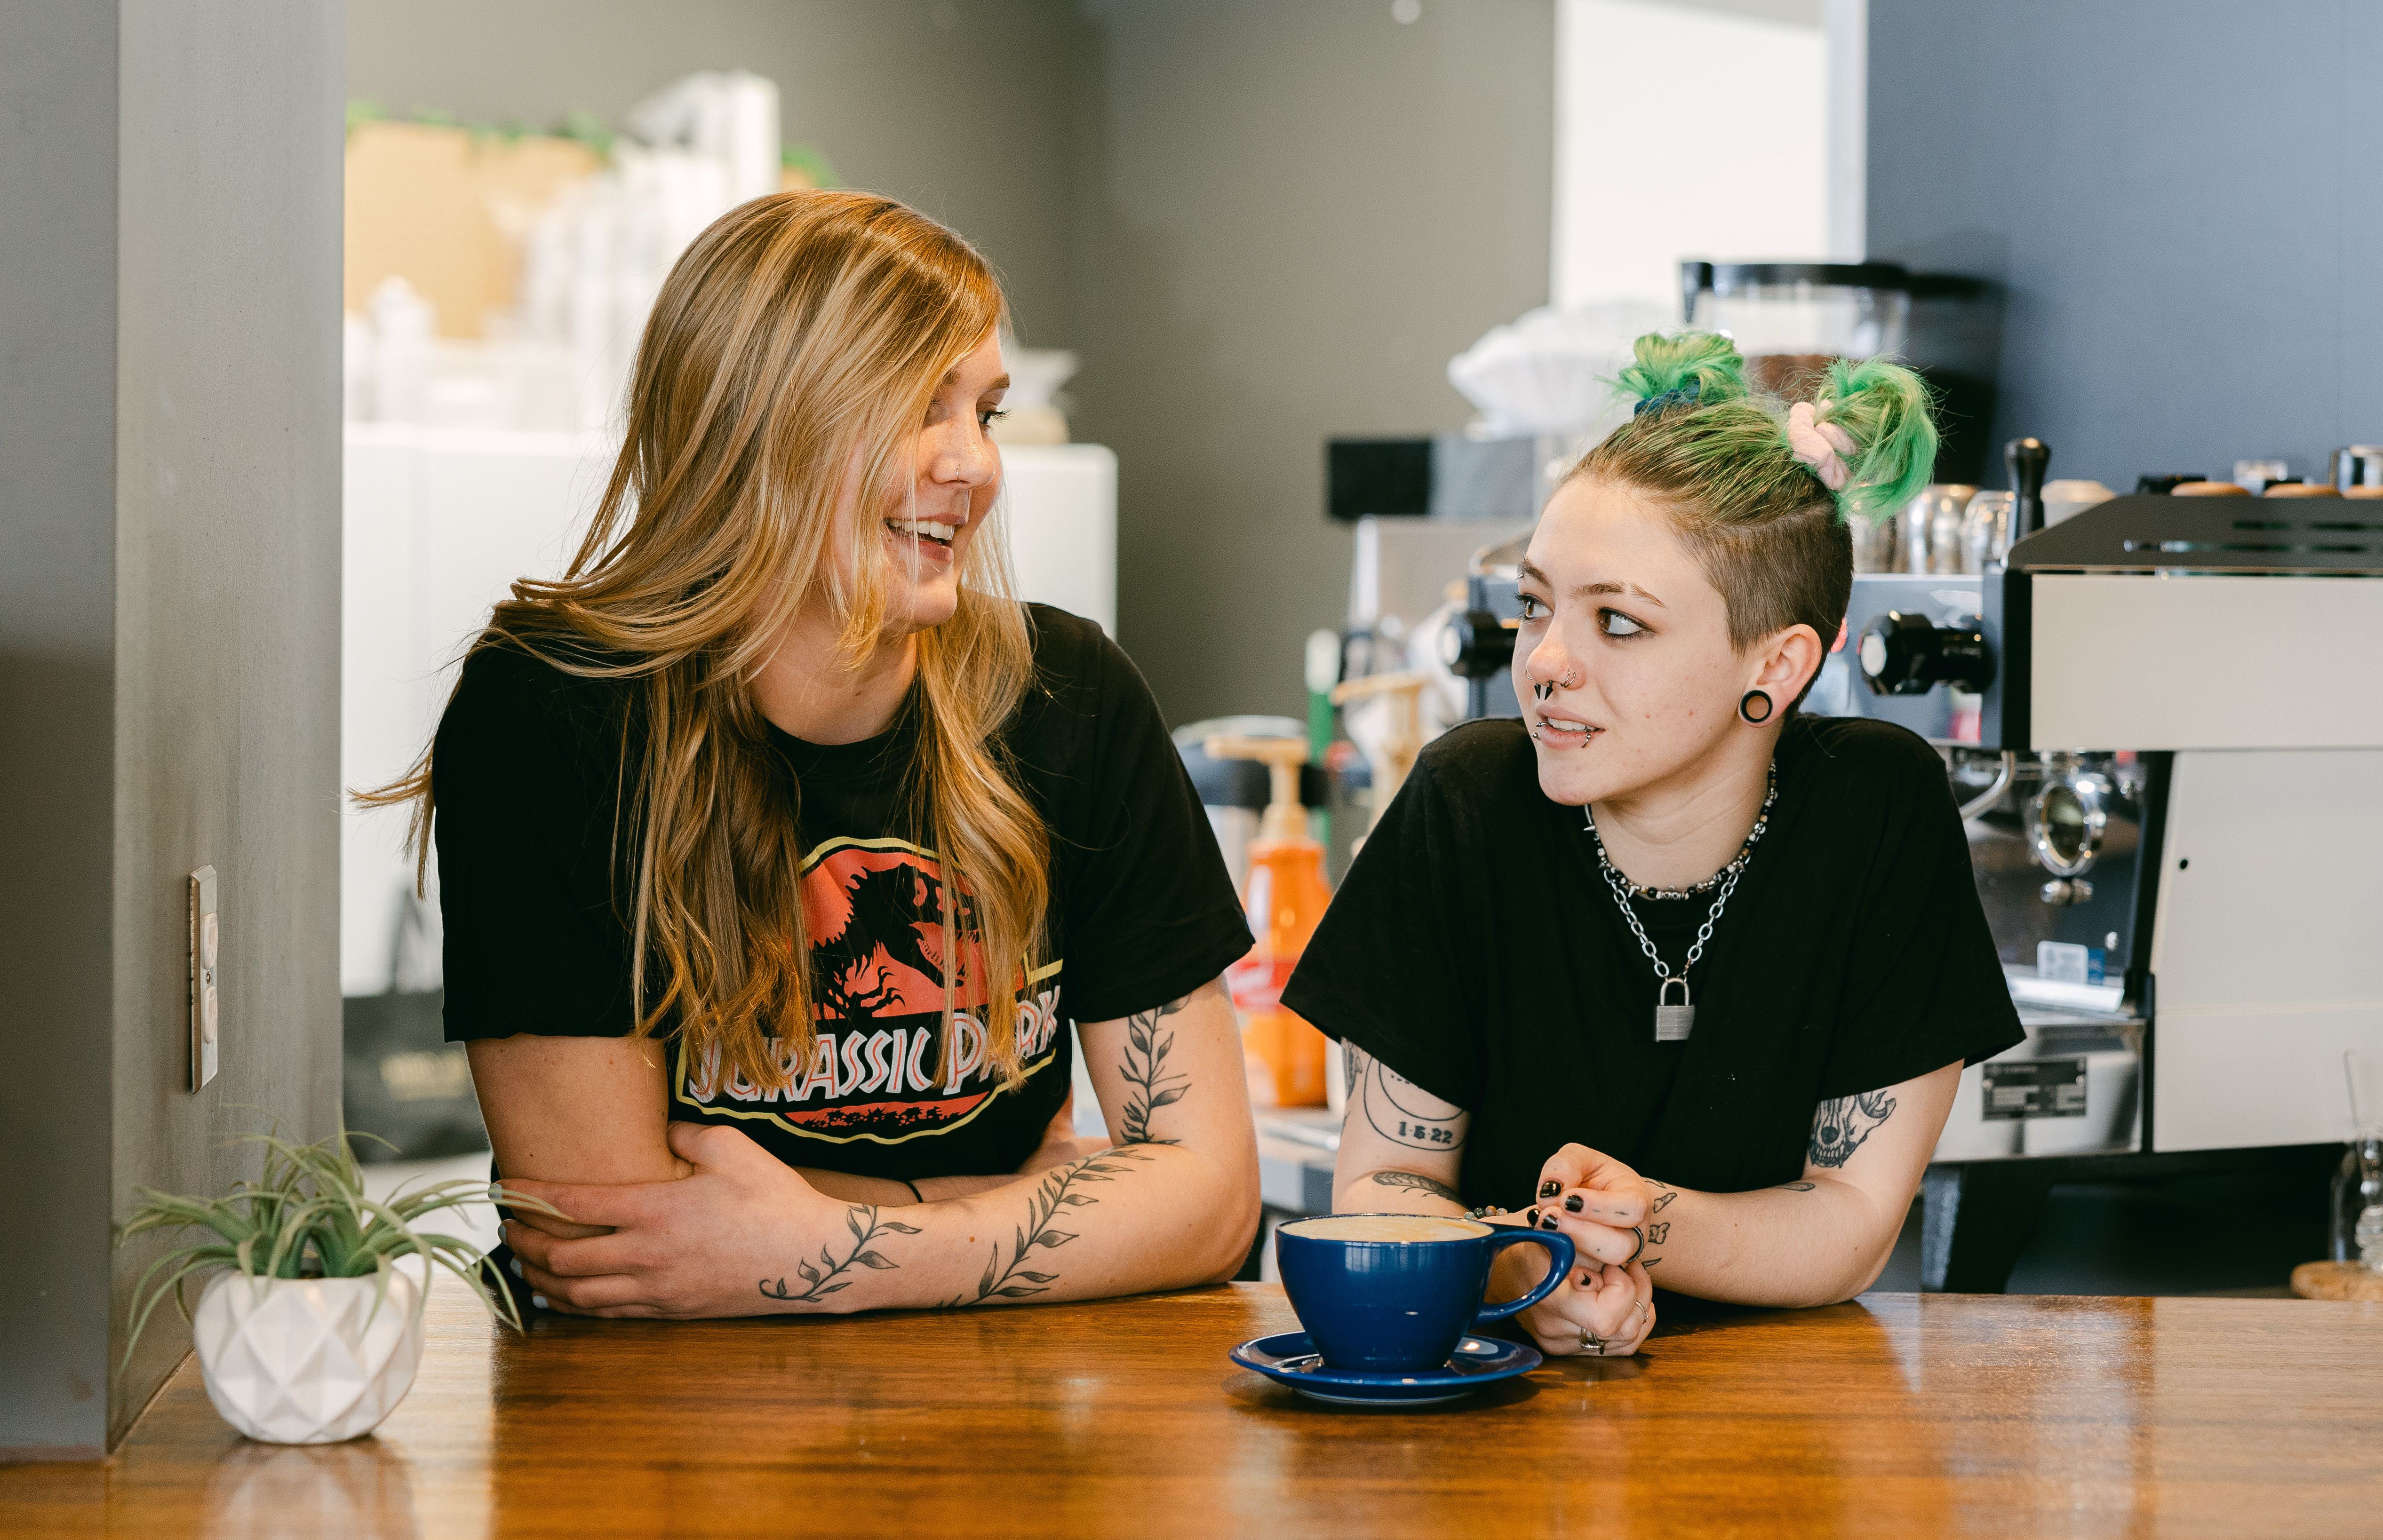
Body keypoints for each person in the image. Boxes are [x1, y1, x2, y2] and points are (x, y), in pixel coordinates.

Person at [366, 191, 1262, 1318]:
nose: (974, 466)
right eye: (917, 407)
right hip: (646, 1436)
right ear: (758, 425)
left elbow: (1216, 1200)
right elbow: (603, 1234)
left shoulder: (1066, 694)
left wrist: (820, 1241)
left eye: (983, 409)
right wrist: (1016, 1206)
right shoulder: (557, 709)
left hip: (1003, 1425)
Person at [1283, 332, 2026, 1357]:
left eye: (1617, 625)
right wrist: (1515, 1276)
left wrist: (1642, 1225)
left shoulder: (1874, 807)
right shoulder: (1469, 801)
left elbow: (1850, 1219)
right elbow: (1382, 1182)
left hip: (1787, 1436)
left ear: (1777, 662)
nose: (1543, 663)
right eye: (1535, 605)